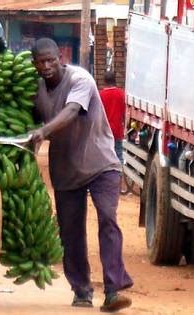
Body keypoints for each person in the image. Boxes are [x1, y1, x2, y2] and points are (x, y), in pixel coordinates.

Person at [30, 38, 133, 313]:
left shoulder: (81, 79)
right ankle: (81, 289)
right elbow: (28, 118)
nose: (47, 66)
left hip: (101, 163)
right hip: (66, 169)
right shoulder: (36, 90)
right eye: (41, 62)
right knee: (70, 231)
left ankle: (113, 290)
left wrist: (43, 132)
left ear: (60, 58)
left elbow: (71, 112)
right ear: (35, 65)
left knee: (108, 219)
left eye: (51, 60)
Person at [99, 71, 126, 164]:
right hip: (118, 131)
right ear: (115, 80)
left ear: (104, 81)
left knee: (104, 157)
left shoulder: (100, 95)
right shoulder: (121, 94)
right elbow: (124, 113)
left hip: (104, 131)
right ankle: (119, 176)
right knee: (118, 156)